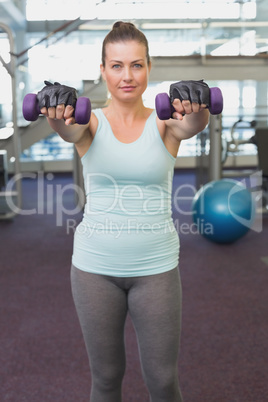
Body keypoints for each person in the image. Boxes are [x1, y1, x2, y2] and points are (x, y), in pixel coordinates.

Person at [39, 21, 209, 402]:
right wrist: (54, 107)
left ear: (149, 68)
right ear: (103, 71)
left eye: (136, 64)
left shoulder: (165, 121)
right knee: (106, 378)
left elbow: (194, 124)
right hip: (94, 270)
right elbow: (65, 129)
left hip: (156, 270)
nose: (127, 75)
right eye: (116, 66)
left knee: (163, 381)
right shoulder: (89, 122)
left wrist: (200, 103)